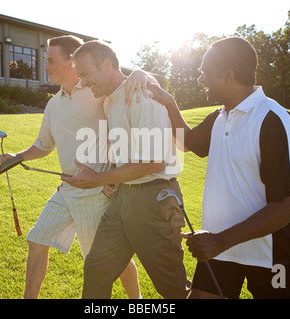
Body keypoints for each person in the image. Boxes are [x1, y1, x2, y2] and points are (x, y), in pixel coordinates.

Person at [148, 37, 290, 299]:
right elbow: (187, 142)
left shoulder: (274, 119)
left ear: (228, 75)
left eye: (205, 73)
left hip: (271, 256)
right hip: (219, 251)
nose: (200, 79)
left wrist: (220, 240)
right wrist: (169, 103)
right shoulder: (219, 117)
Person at [0, 35, 150, 299]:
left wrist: (140, 72)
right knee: (37, 240)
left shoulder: (97, 91)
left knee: (112, 258)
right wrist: (18, 157)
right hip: (66, 189)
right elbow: (44, 145)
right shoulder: (53, 104)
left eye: (50, 60)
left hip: (95, 193)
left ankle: (135, 301)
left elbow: (125, 83)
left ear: (73, 62)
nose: (45, 66)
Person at [61, 40, 189, 299]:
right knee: (97, 267)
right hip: (123, 200)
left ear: (106, 65)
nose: (83, 83)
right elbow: (127, 149)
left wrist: (98, 179)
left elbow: (153, 162)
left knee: (172, 288)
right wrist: (113, 178)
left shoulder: (140, 95)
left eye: (85, 75)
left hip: (154, 201)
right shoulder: (110, 101)